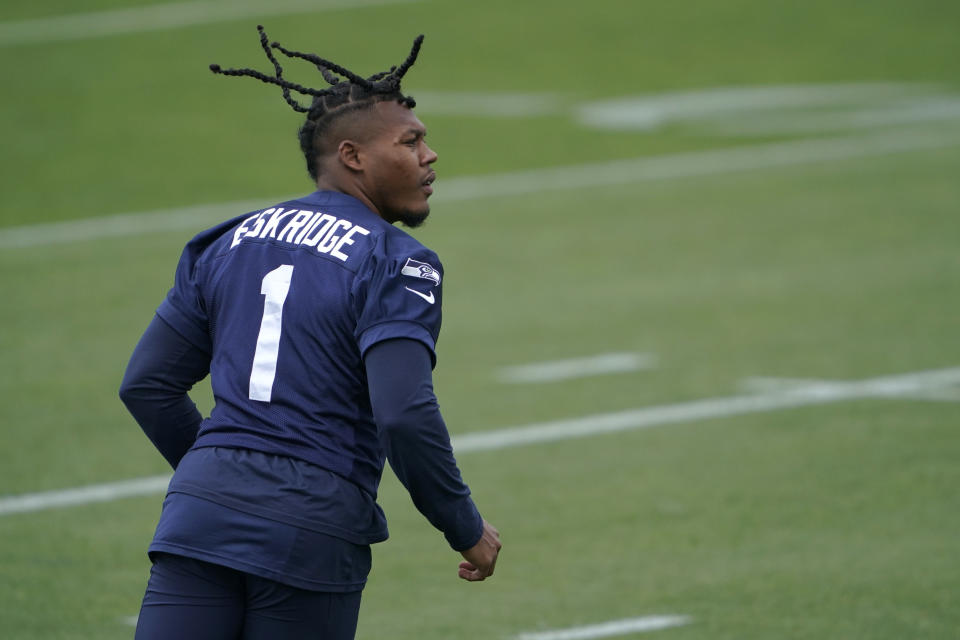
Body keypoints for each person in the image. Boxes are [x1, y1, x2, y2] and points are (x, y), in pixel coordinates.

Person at [119, 27, 501, 640]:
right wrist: (464, 526)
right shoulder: (397, 259)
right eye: (411, 142)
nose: (429, 157)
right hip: (311, 526)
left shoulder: (225, 240)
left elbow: (145, 386)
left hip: (197, 517)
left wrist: (217, 479)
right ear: (353, 157)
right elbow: (402, 412)